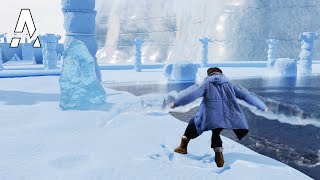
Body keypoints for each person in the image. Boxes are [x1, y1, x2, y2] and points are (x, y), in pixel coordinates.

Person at [170, 67, 268, 168]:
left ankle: (183, 147)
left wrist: (176, 103)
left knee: (192, 125)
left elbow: (191, 94)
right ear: (221, 74)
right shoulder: (230, 85)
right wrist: (262, 106)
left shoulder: (206, 84)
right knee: (216, 132)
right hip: (225, 116)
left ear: (209, 75)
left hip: (207, 116)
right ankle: (219, 158)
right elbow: (247, 96)